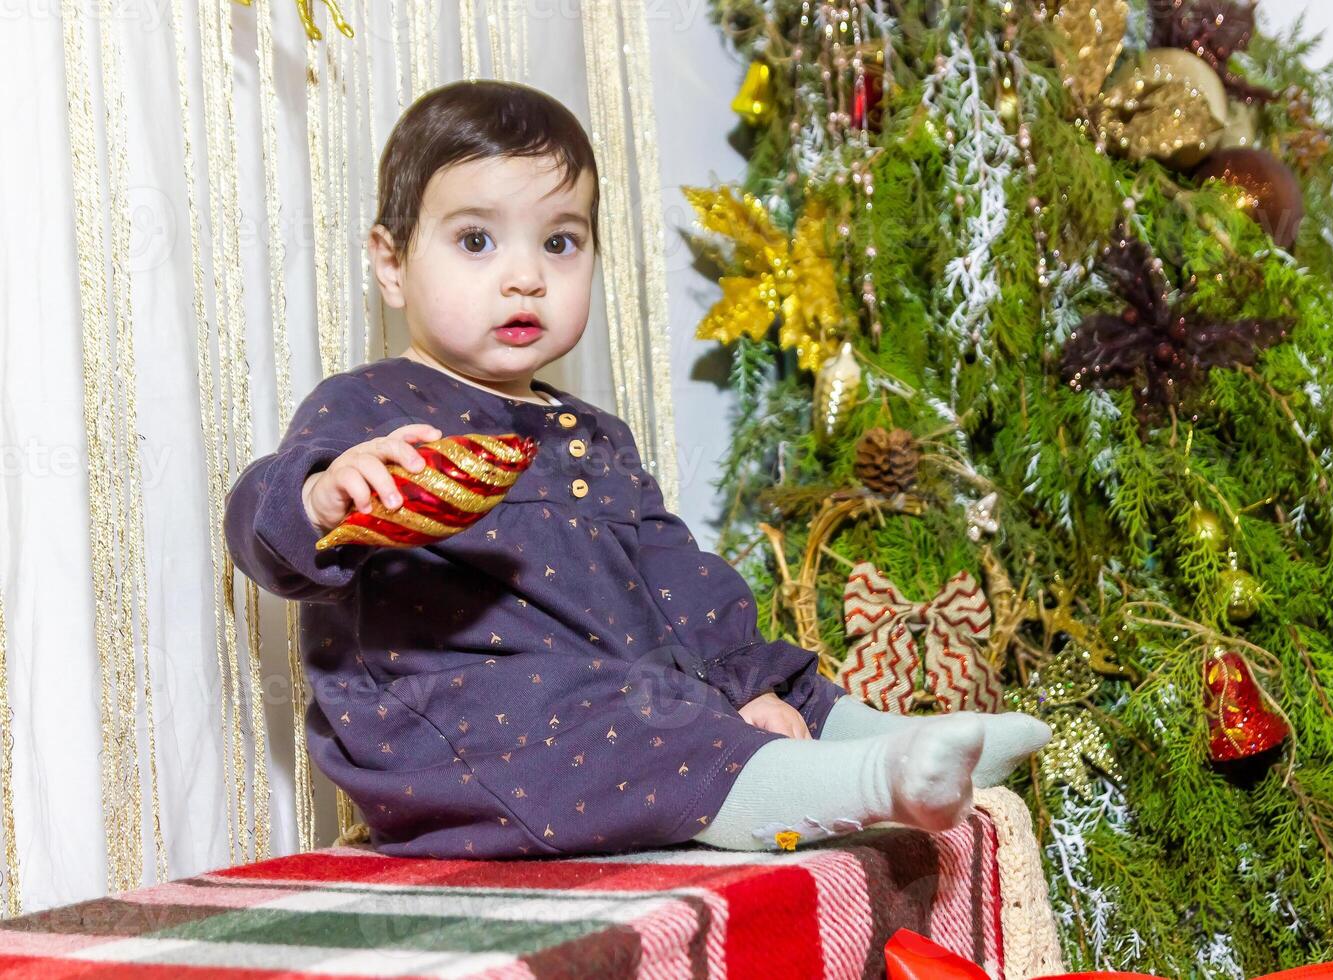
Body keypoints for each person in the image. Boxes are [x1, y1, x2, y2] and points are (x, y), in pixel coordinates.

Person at [223, 80, 1050, 859]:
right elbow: (258, 519)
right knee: (617, 714)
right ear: (393, 262)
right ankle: (865, 784)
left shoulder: (593, 434)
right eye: (476, 240)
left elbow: (678, 586)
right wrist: (321, 496)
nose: (526, 275)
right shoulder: (372, 407)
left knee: (740, 669)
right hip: (455, 726)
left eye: (560, 242)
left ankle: (882, 737)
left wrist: (745, 684)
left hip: (617, 701)